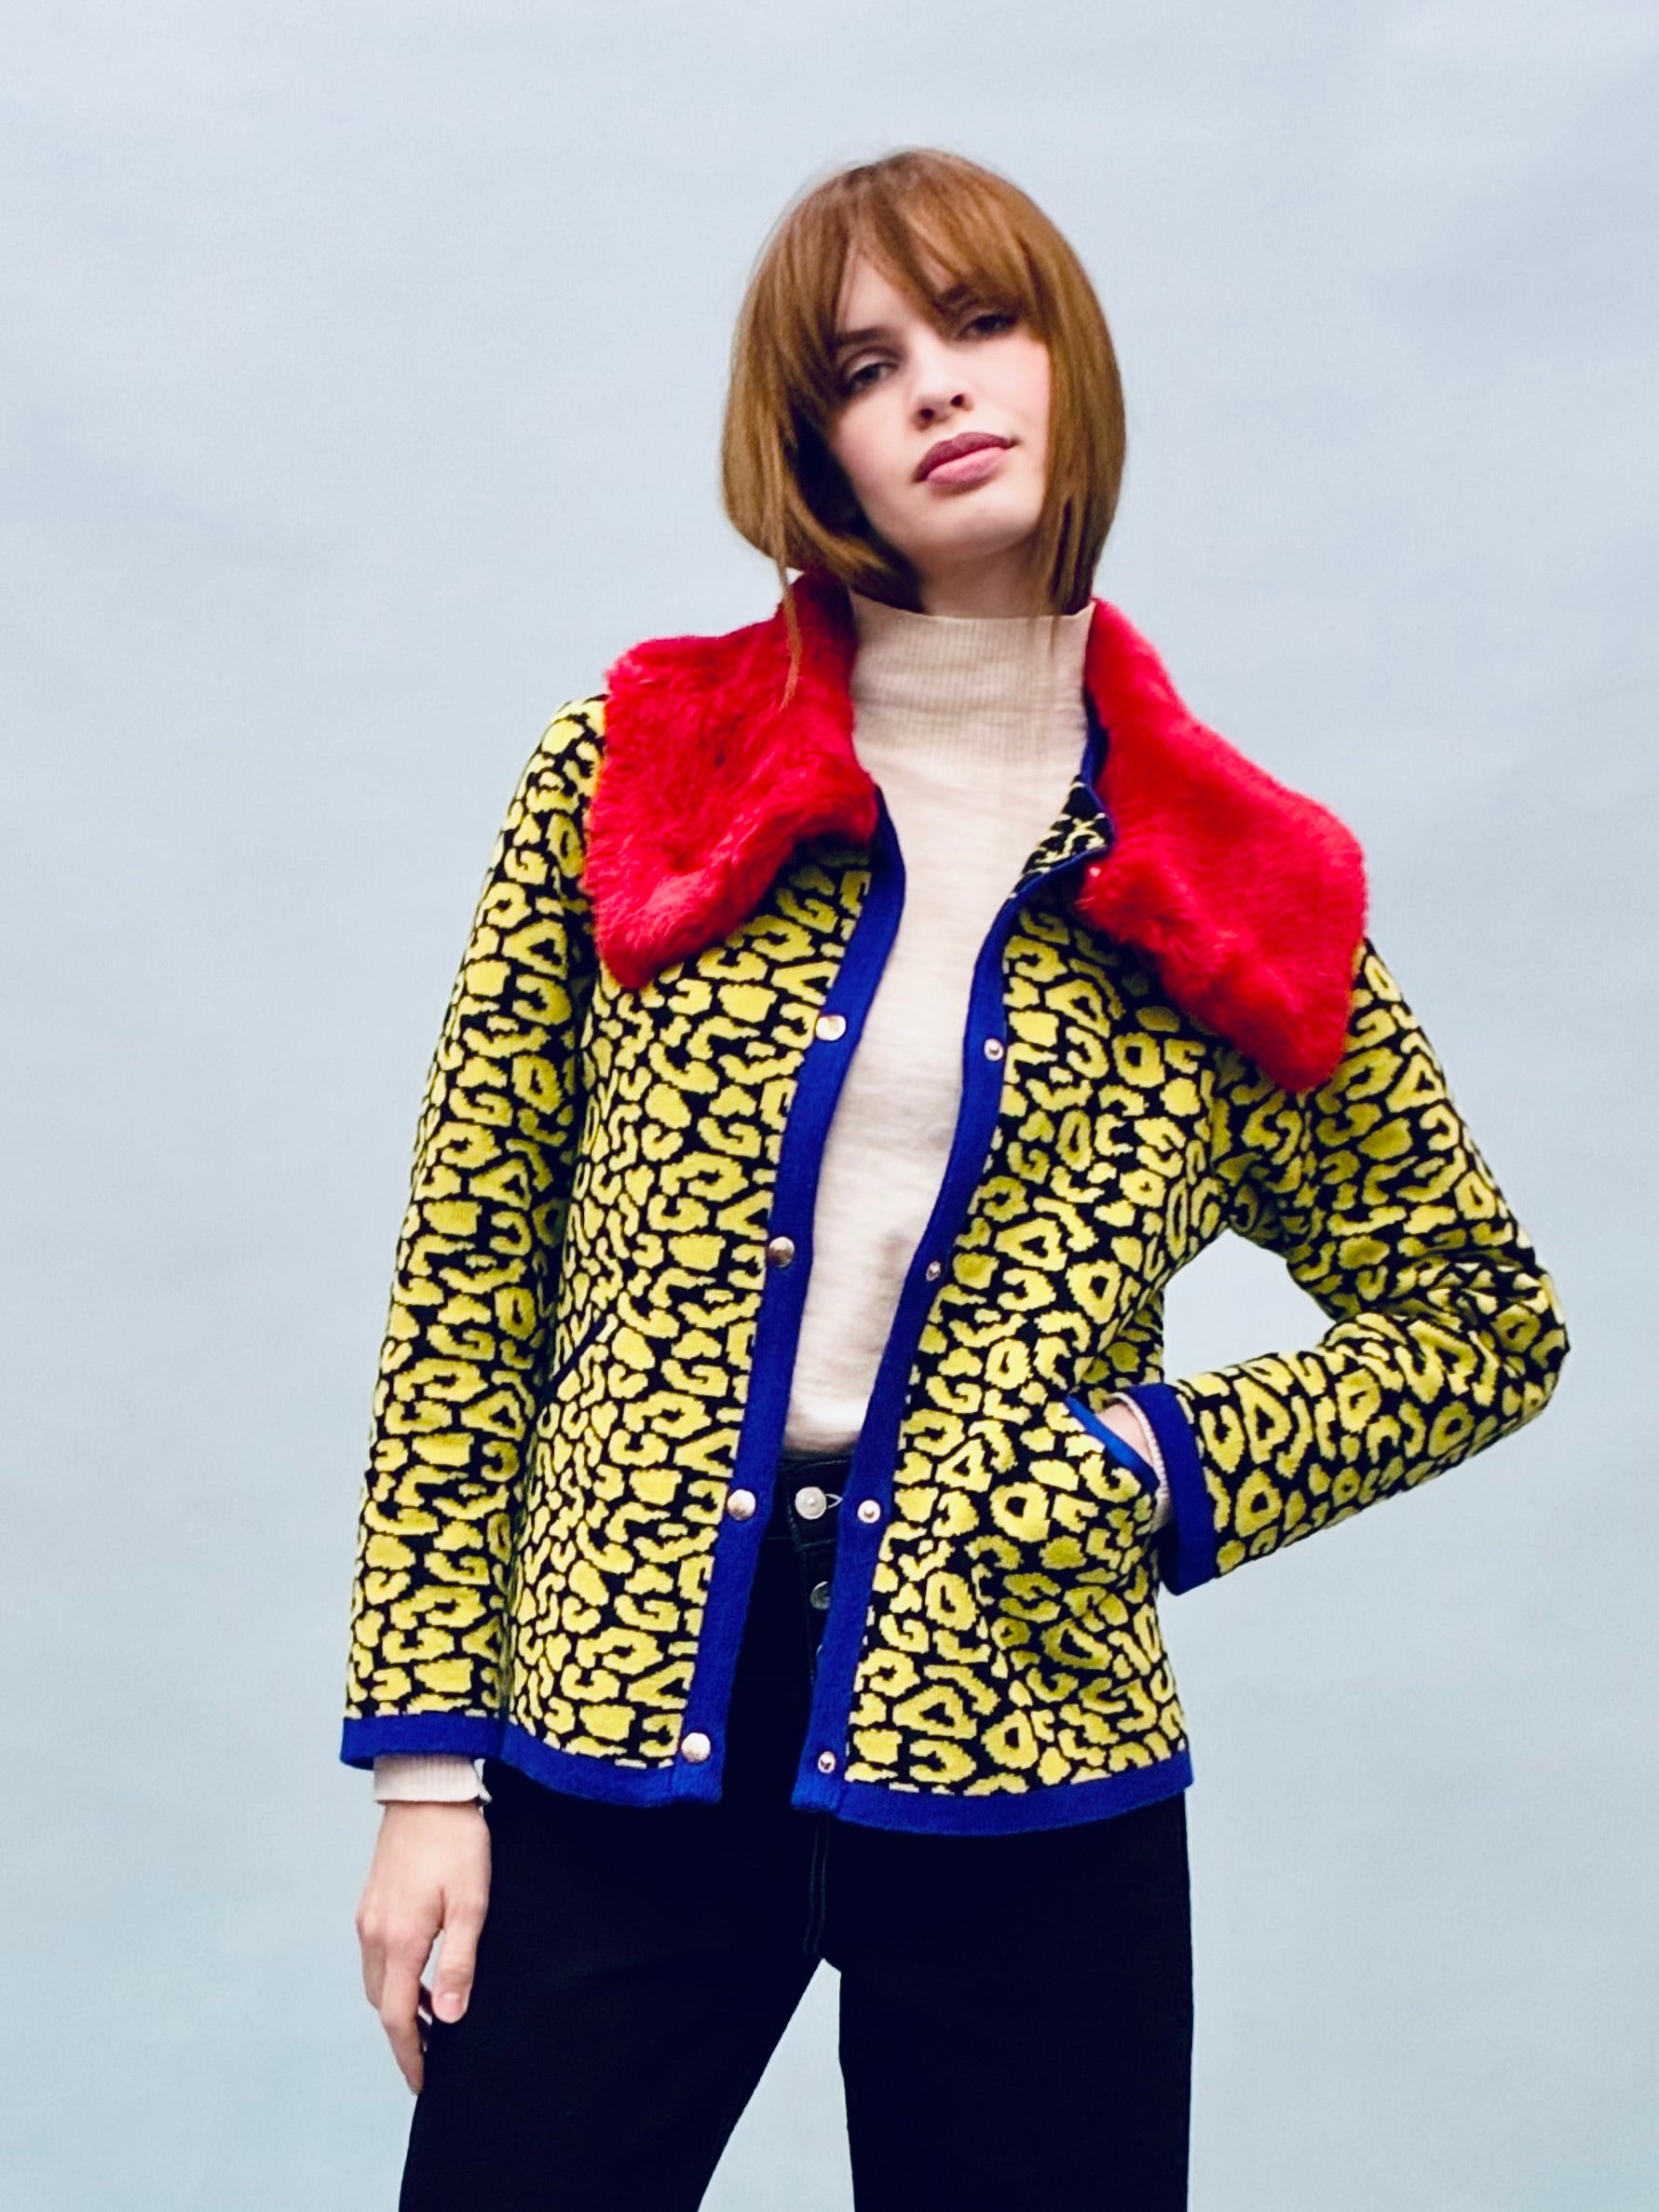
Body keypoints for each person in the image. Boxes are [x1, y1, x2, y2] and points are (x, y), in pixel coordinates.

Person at [343, 147, 1568, 2209]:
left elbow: (1481, 1320)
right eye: (862, 364)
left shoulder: (1231, 877)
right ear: (811, 441)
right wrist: (426, 1771)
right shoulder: (639, 765)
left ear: (1063, 360)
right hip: (613, 1731)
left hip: (1031, 1746)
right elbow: (471, 1279)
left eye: (982, 322)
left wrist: (1143, 1469)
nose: (935, 384)